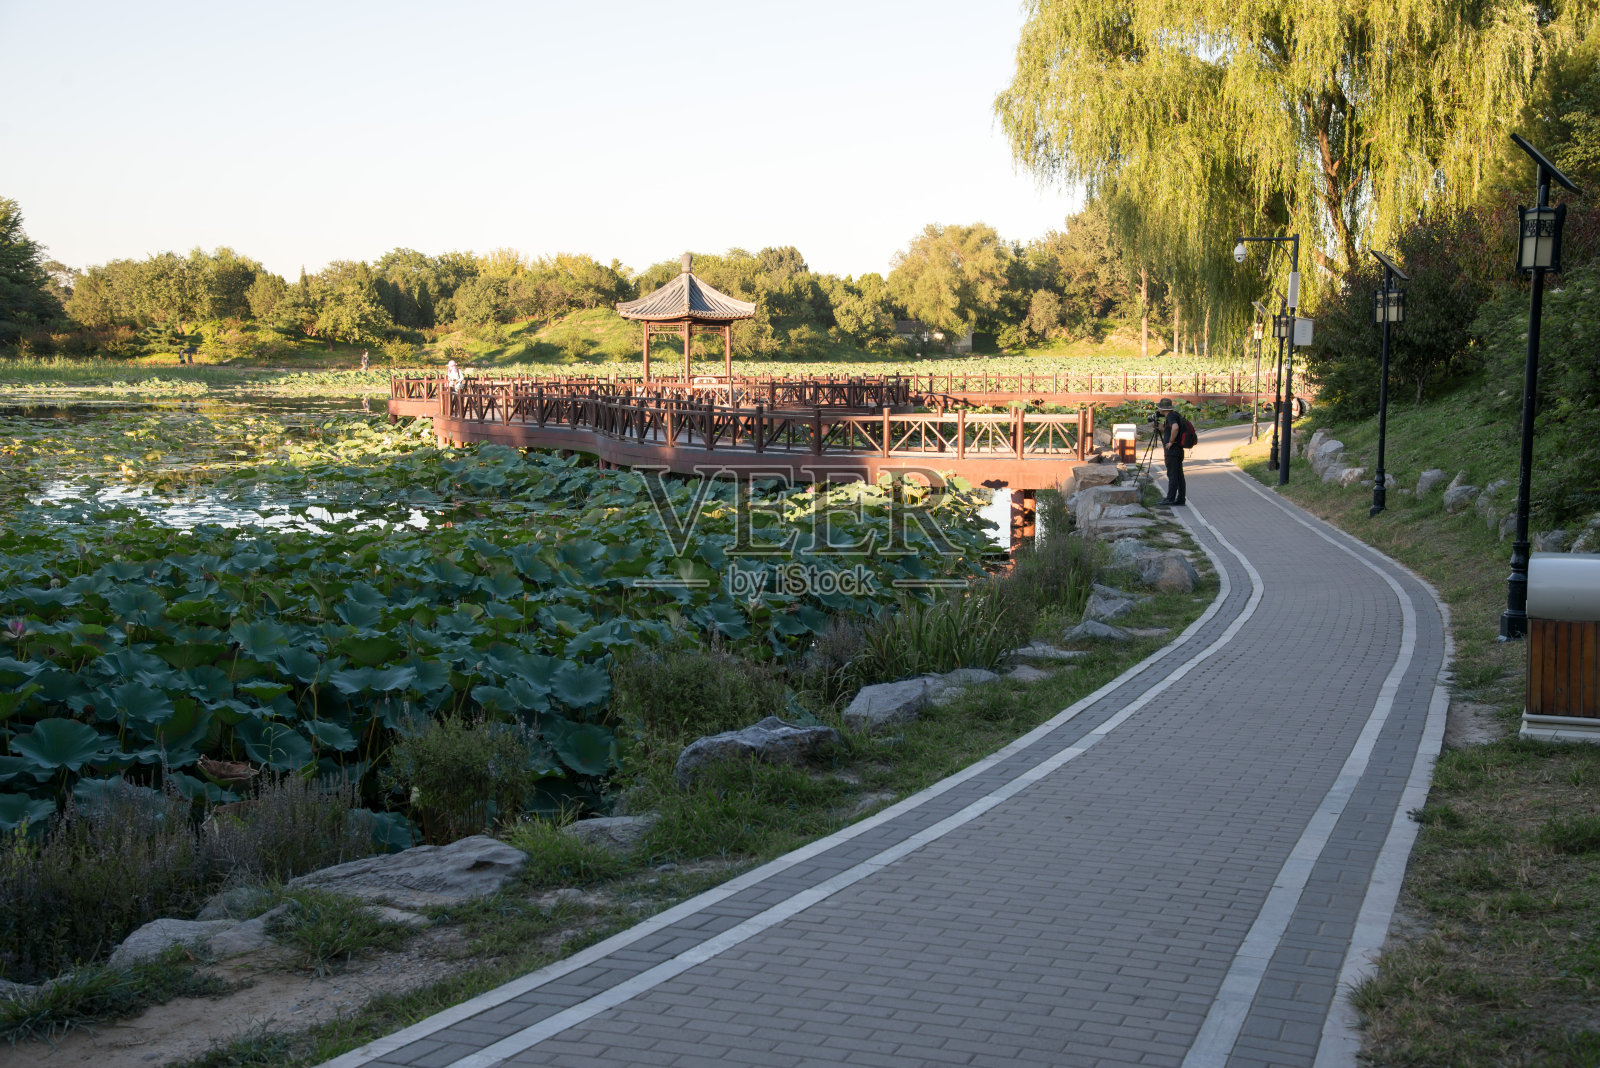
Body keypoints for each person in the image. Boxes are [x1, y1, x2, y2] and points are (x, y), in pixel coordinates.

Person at [1157, 397, 1186, 506]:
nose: (1158, 410)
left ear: (1163, 409)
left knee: (1172, 474)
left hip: (1172, 451)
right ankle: (1181, 499)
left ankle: (1170, 498)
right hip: (1178, 450)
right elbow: (1171, 428)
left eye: (1159, 407)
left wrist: (1170, 442)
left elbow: (1175, 428)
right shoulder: (1176, 415)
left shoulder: (1171, 416)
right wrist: (1162, 429)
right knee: (1179, 475)